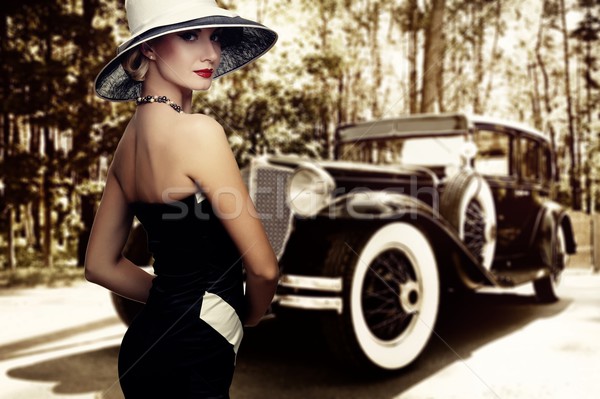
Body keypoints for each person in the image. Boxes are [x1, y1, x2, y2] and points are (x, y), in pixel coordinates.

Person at [85, 0, 279, 397]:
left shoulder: (127, 146)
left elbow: (99, 266)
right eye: (190, 35)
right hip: (193, 351)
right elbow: (263, 270)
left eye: (215, 37)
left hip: (143, 348)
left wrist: (172, 298)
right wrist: (246, 317)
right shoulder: (200, 132)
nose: (210, 52)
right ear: (150, 48)